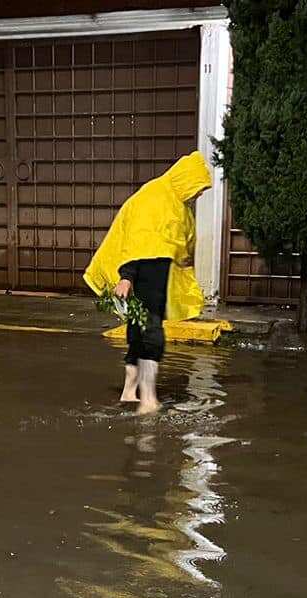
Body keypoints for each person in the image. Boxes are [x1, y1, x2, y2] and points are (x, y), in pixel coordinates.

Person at [84, 152, 213, 415]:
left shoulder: (175, 202)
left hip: (156, 270)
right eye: (198, 188)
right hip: (145, 271)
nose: (199, 194)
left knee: (137, 328)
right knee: (151, 330)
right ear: (187, 179)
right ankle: (148, 398)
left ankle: (129, 392)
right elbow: (136, 240)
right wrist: (126, 276)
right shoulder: (155, 198)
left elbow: (182, 240)